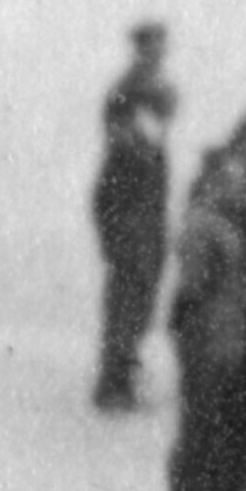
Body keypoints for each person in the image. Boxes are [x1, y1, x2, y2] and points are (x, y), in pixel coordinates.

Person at [86, 25, 179, 412]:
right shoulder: (131, 92)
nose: (158, 56)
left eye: (161, 49)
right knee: (129, 291)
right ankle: (115, 381)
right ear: (140, 50)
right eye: (152, 49)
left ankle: (122, 372)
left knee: (138, 290)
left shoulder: (149, 91)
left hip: (144, 209)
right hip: (128, 208)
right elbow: (131, 143)